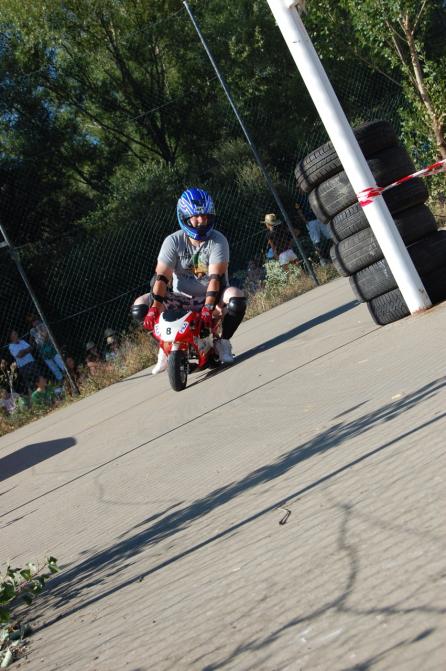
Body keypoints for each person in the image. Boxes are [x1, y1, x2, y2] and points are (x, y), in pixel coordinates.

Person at [131, 187, 246, 374]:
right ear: (184, 217)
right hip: (180, 299)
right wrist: (154, 309)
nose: (202, 220)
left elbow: (215, 277)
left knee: (236, 297)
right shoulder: (172, 241)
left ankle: (223, 342)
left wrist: (208, 307)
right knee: (140, 306)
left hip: (211, 298)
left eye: (205, 216)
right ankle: (165, 347)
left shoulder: (218, 240)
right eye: (196, 216)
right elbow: (161, 277)